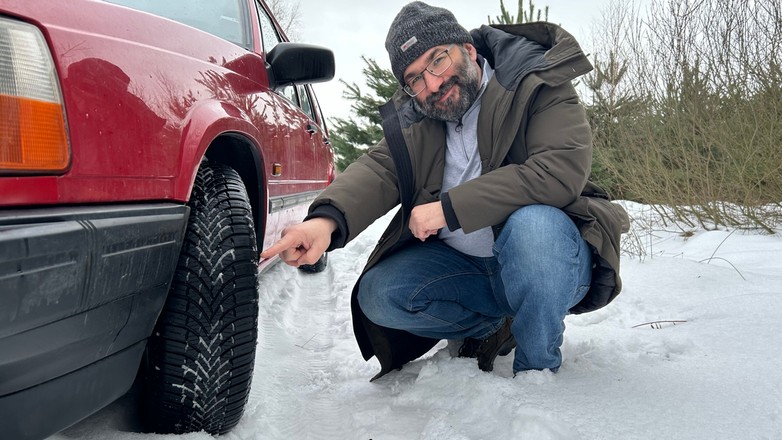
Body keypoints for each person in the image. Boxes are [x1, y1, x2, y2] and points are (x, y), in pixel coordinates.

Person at [261, 1, 629, 379]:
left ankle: (537, 370)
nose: (432, 84)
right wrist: (324, 222)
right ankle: (489, 327)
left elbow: (558, 171)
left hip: (549, 262)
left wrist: (449, 208)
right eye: (415, 78)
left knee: (535, 226)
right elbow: (379, 168)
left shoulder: (532, 80)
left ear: (467, 49)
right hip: (468, 272)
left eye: (437, 61)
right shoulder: (421, 116)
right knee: (380, 294)